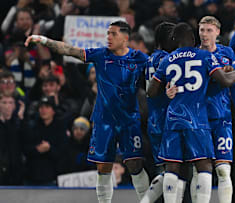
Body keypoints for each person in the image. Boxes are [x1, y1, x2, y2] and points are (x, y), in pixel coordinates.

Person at [25, 20, 150, 202]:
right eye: (107, 33)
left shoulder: (139, 58)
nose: (108, 37)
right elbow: (69, 50)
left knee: (135, 165)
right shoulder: (100, 55)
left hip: (129, 121)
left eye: (113, 34)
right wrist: (44, 40)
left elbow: (161, 69)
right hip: (103, 120)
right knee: (103, 167)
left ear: (125, 38)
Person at [147, 22, 235, 203]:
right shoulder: (203, 55)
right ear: (193, 37)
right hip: (196, 118)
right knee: (204, 165)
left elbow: (150, 91)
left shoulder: (168, 59)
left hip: (172, 119)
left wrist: (167, 90)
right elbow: (227, 81)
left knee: (172, 167)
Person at [189, 15, 235, 203]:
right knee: (199, 169)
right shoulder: (193, 55)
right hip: (198, 118)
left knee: (223, 168)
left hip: (222, 117)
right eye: (202, 30)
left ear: (217, 32)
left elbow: (233, 85)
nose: (204, 34)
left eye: (209, 30)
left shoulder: (226, 53)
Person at [141, 22, 177, 203]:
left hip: (153, 118)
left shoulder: (150, 58)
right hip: (166, 118)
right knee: (172, 169)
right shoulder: (167, 59)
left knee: (162, 167)